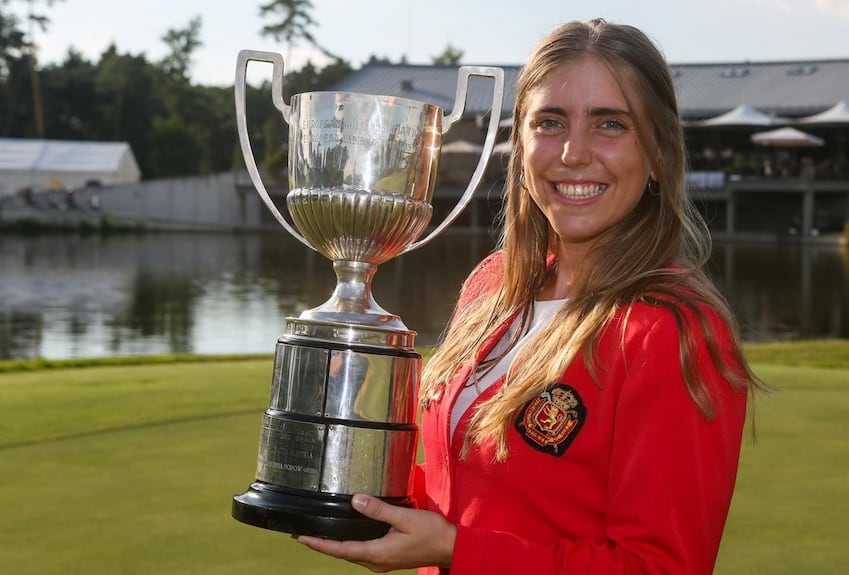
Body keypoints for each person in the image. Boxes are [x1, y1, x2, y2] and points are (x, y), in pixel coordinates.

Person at [296, 18, 763, 574]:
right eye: (550, 122)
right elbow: (468, 491)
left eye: (610, 124)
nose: (573, 152)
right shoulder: (493, 286)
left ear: (658, 153)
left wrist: (455, 550)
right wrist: (349, 488)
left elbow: (659, 567)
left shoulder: (671, 331)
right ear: (521, 145)